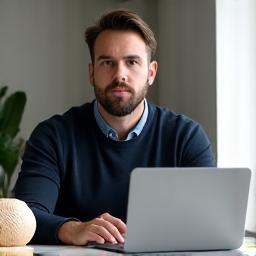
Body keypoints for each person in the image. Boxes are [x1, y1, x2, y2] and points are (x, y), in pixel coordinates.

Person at [14, 9, 215, 246]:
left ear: (151, 73)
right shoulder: (52, 137)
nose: (120, 74)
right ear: (91, 73)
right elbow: (24, 220)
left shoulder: (187, 137)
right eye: (107, 62)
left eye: (132, 62)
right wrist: (73, 230)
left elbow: (207, 222)